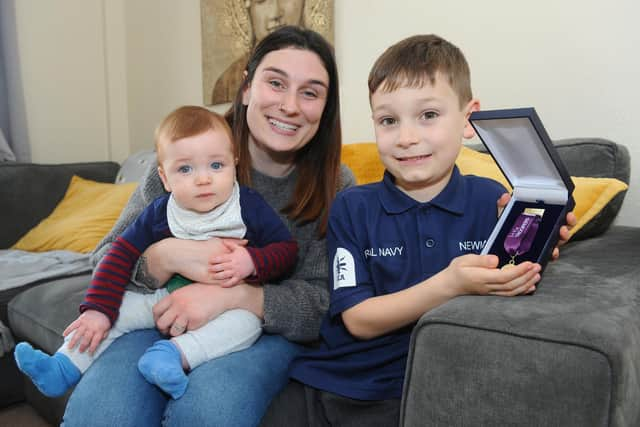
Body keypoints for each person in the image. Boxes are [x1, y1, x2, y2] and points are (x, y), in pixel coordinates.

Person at [260, 34, 576, 427]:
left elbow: (512, 288)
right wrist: (451, 283)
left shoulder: (492, 201)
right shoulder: (353, 206)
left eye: (428, 115)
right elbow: (358, 319)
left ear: (469, 118)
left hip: (415, 389)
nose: (406, 138)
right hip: (330, 380)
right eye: (389, 121)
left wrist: (536, 245)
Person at [61, 26, 355, 427]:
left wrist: (236, 299)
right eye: (275, 83)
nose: (290, 105)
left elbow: (330, 303)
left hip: (265, 334)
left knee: (209, 410)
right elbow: (103, 262)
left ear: (325, 107)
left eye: (310, 92)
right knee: (103, 414)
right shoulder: (185, 159)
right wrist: (166, 256)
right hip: (161, 313)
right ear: (248, 87)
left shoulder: (338, 185)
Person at [14, 106, 299, 400]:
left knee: (247, 325)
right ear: (164, 177)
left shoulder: (247, 206)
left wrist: (252, 261)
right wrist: (98, 308)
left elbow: (286, 250)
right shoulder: (161, 212)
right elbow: (119, 254)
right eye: (185, 169)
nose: (203, 179)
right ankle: (62, 367)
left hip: (228, 305)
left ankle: (172, 356)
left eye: (216, 166)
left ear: (234, 163)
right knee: (112, 312)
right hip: (165, 299)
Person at [211, 0, 306, 104]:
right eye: (261, 1)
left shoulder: (321, 69)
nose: (275, 13)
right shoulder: (227, 82)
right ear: (248, 8)